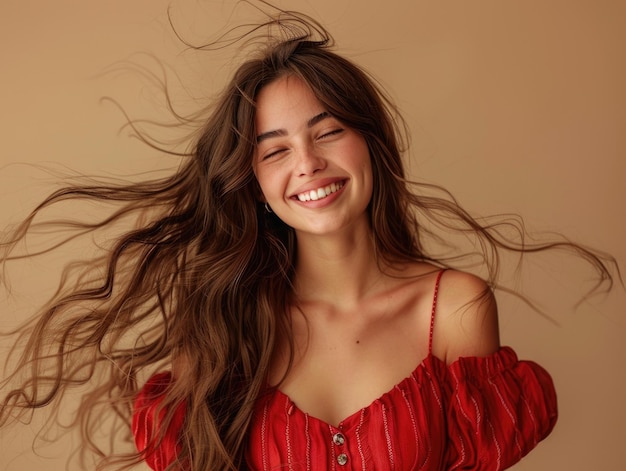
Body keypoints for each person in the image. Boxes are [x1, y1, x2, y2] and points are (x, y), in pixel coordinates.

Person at [0, 4, 617, 471]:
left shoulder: (454, 307)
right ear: (254, 181)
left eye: (327, 132)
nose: (307, 164)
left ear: (370, 141)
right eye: (275, 150)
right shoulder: (221, 318)